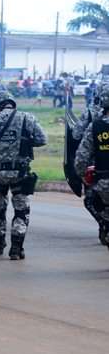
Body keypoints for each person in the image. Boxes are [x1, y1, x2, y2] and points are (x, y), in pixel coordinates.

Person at [0, 91, 47, 259]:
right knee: (21, 210)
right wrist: (26, 143)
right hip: (20, 171)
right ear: (12, 103)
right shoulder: (27, 118)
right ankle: (16, 247)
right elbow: (42, 139)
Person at [73, 82, 109, 243]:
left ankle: (104, 225)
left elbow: (76, 134)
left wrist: (82, 175)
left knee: (92, 201)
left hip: (97, 172)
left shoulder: (90, 115)